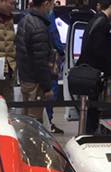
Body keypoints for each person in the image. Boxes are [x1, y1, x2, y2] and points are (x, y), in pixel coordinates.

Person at [77, 0, 111, 133]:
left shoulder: (95, 20)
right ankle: (89, 135)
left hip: (88, 71)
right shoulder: (103, 24)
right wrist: (108, 69)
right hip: (94, 72)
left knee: (90, 109)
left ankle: (88, 133)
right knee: (92, 109)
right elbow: (99, 50)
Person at [15, 0, 54, 121]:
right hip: (35, 83)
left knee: (26, 119)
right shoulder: (39, 26)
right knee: (34, 121)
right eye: (52, 4)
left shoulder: (24, 20)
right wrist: (47, 87)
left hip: (25, 77)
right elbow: (40, 61)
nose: (52, 8)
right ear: (46, 3)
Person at [45, 3, 64, 133]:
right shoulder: (49, 15)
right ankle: (48, 123)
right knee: (51, 91)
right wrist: (61, 51)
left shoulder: (28, 15)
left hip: (36, 62)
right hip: (50, 60)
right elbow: (54, 34)